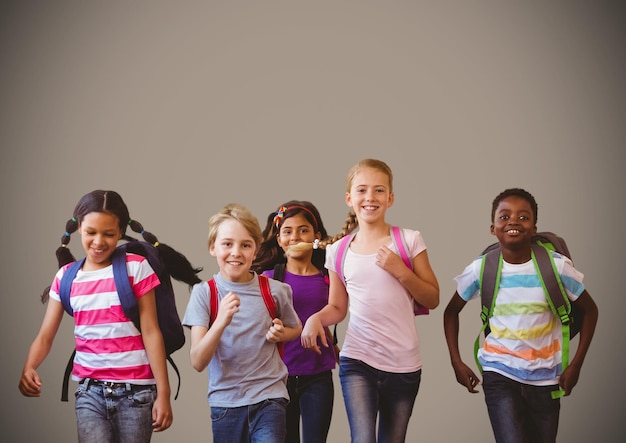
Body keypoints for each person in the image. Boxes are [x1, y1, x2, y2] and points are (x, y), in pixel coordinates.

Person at [18, 189, 202, 443]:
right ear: (78, 227)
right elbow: (45, 336)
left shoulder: (136, 267)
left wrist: (164, 393)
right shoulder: (66, 277)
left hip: (137, 393)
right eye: (91, 232)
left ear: (121, 232)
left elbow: (151, 332)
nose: (98, 241)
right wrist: (29, 366)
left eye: (109, 234)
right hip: (89, 392)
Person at [443, 188, 599, 443]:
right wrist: (456, 362)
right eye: (504, 216)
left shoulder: (556, 267)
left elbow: (591, 310)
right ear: (493, 228)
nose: (513, 221)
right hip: (499, 373)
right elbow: (451, 312)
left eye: (523, 217)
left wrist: (576, 365)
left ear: (534, 228)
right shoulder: (481, 268)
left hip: (548, 377)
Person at [301, 158, 440, 443]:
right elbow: (338, 307)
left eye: (379, 190)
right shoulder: (338, 251)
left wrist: (401, 271)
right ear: (349, 198)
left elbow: (433, 297)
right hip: (358, 360)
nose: (370, 197)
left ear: (390, 198)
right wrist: (315, 319)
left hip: (404, 364)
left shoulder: (410, 240)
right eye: (362, 190)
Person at [183, 202, 302, 443]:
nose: (236, 252)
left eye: (245, 245)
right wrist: (221, 321)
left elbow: (295, 328)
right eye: (227, 244)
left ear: (256, 250)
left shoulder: (276, 291)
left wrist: (282, 334)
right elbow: (197, 361)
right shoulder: (204, 293)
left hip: (270, 397)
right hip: (225, 403)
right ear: (212, 247)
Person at [252, 200, 337, 443]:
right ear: (279, 239)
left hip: (318, 376)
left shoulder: (328, 279)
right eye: (287, 231)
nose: (295, 237)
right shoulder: (267, 280)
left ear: (316, 236)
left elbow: (324, 319)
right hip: (278, 380)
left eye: (303, 230)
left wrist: (336, 349)